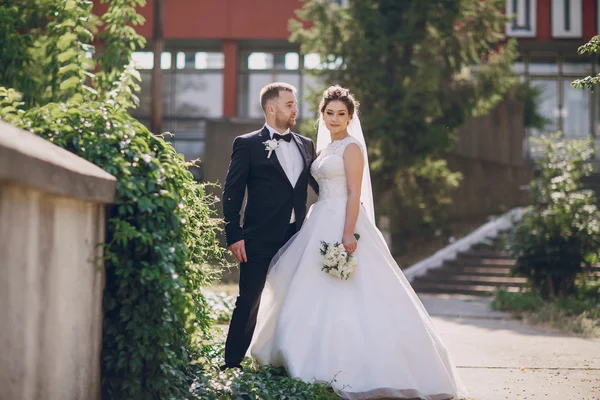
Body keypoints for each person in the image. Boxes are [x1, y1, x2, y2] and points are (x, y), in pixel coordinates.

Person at [248, 85, 468, 400]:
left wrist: (348, 232)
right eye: (329, 113)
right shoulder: (322, 150)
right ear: (322, 115)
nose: (335, 119)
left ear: (350, 117)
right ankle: (303, 358)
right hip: (319, 220)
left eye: (341, 114)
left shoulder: (352, 148)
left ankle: (359, 367)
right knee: (307, 287)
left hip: (343, 221)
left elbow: (354, 193)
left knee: (357, 293)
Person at [220, 82, 319, 371]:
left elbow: (319, 186)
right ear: (271, 108)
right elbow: (231, 193)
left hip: (296, 237)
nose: (295, 110)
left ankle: (289, 360)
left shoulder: (306, 145)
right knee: (249, 299)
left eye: (295, 104)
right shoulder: (247, 144)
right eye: (289, 104)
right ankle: (231, 363)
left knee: (295, 300)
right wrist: (234, 235)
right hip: (257, 237)